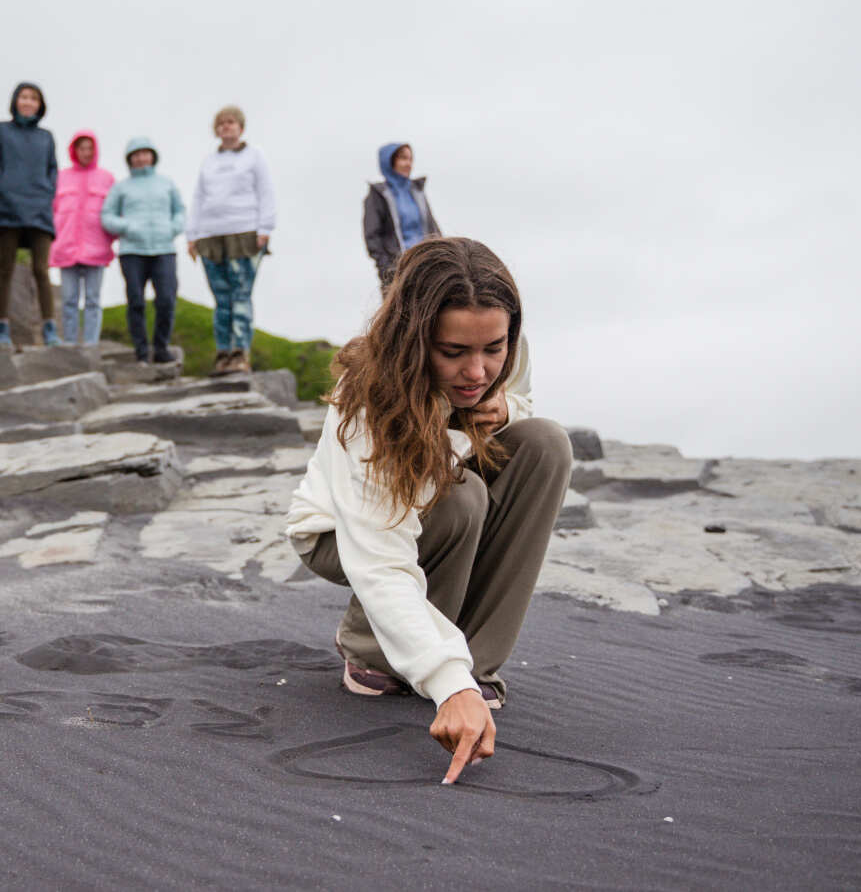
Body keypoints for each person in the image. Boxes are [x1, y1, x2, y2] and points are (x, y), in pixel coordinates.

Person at [283, 237, 572, 785]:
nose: (477, 371)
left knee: (546, 443)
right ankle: (376, 653)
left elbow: (521, 396)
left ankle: (476, 665)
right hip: (339, 534)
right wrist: (446, 680)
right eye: (453, 352)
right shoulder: (367, 398)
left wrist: (509, 406)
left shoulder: (501, 341)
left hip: (444, 486)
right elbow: (380, 558)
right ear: (414, 339)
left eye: (494, 349)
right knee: (463, 499)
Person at [187, 104, 276, 376]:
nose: (226, 126)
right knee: (222, 299)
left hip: (244, 233)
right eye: (221, 123)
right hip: (211, 237)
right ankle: (223, 354)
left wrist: (265, 227)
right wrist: (192, 235)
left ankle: (240, 353)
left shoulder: (254, 156)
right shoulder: (209, 162)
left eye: (231, 122)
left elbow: (265, 191)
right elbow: (198, 199)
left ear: (240, 127)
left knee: (240, 295)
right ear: (216, 129)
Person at [0, 82, 61, 348]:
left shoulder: (46, 137)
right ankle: (1, 328)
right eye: (24, 97)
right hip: (8, 208)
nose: (28, 102)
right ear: (15, 101)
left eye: (33, 98)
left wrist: (45, 194)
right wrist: (7, 189)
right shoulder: (1, 130)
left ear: (40, 105)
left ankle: (50, 329)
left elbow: (53, 171)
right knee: (4, 269)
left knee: (41, 270)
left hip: (39, 210)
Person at [101, 137, 184, 364]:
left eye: (145, 153)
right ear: (130, 159)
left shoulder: (166, 184)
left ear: (153, 156)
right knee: (136, 301)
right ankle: (140, 351)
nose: (141, 158)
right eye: (136, 154)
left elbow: (180, 211)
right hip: (132, 251)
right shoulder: (121, 187)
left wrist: (173, 228)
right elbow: (106, 215)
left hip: (164, 249)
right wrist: (126, 227)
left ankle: (160, 347)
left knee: (166, 299)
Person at [49, 130, 116, 345]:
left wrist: (111, 239)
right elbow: (51, 210)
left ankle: (90, 345)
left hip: (96, 250)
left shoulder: (107, 178)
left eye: (90, 148)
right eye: (82, 148)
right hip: (65, 248)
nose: (86, 152)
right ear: (74, 151)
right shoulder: (60, 177)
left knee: (93, 300)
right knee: (68, 299)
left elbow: (114, 212)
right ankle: (69, 344)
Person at [362, 142, 441, 290]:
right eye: (403, 158)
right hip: (397, 271)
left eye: (411, 159)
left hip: (427, 267)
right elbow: (372, 236)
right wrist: (387, 268)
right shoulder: (378, 195)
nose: (408, 164)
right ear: (390, 161)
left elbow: (432, 227)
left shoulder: (417, 192)